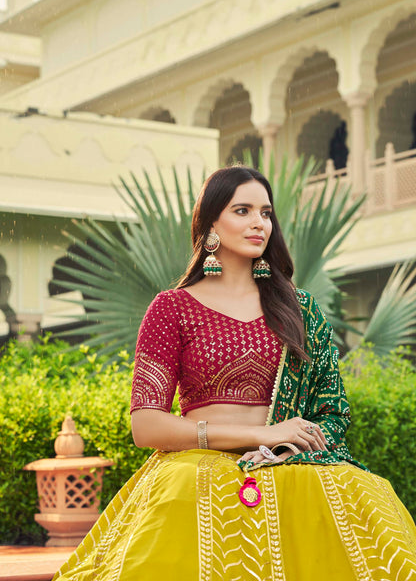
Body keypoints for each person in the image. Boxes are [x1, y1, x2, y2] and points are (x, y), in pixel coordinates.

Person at [54, 166, 416, 580]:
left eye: (265, 212)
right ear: (211, 223)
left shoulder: (301, 310)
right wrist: (260, 434)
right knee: (186, 495)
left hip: (288, 466)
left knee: (367, 498)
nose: (258, 222)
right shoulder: (171, 308)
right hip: (195, 467)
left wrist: (276, 450)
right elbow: (147, 425)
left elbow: (332, 412)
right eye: (242, 210)